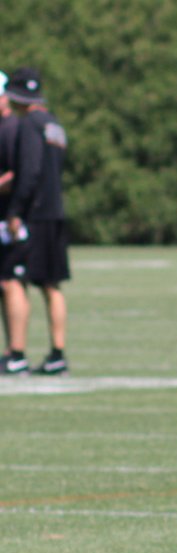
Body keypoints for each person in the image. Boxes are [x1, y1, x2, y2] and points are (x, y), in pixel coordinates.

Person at [2, 66, 70, 376]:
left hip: (36, 215)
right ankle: (58, 353)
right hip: (56, 212)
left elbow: (28, 173)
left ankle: (16, 354)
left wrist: (15, 212)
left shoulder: (29, 125)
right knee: (51, 285)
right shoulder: (54, 124)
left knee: (12, 280)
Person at [0, 71, 21, 362]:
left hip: (9, 216)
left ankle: (16, 351)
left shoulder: (14, 128)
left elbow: (18, 172)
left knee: (10, 282)